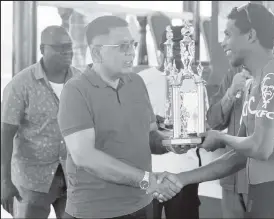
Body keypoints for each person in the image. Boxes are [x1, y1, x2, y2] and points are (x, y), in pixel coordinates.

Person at [156, 3, 274, 218]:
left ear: (251, 36)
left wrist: (220, 137)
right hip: (258, 198)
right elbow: (238, 156)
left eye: (228, 34)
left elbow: (259, 148)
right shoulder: (251, 84)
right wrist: (182, 178)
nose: (222, 42)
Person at [57, 16, 186, 219]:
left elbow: (150, 135)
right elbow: (85, 157)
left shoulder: (136, 82)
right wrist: (148, 180)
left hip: (141, 205)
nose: (132, 52)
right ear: (97, 52)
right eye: (122, 46)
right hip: (94, 212)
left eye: (132, 44)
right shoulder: (75, 91)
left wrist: (171, 143)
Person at [207, 60, 274, 218]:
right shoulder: (233, 75)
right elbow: (213, 122)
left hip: (272, 185)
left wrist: (268, 136)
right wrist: (230, 93)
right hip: (233, 183)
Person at [1, 25, 80, 218]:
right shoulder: (20, 84)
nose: (67, 51)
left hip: (74, 177)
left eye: (69, 46)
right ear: (43, 49)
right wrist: (4, 180)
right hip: (32, 181)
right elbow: (5, 133)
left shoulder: (81, 81)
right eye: (60, 47)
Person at [138, 25, 209, 219]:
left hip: (184, 172)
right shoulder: (141, 81)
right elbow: (132, 124)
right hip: (148, 172)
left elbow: (200, 126)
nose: (182, 51)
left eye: (187, 46)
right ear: (163, 48)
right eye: (176, 46)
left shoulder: (194, 81)